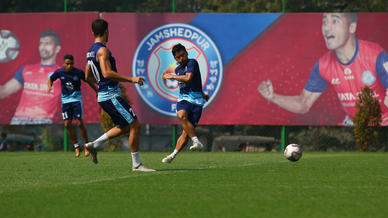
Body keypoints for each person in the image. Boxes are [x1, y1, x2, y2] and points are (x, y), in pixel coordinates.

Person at [258, 13, 388, 126]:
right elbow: (304, 103)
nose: (326, 27)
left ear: (351, 27)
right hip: (354, 122)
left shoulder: (376, 56)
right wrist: (273, 97)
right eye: (324, 22)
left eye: (335, 21)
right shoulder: (323, 65)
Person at [84, 19, 155, 172]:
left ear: (93, 32)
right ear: (106, 31)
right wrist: (132, 79)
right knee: (135, 125)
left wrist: (100, 86)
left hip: (105, 96)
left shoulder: (90, 51)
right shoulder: (102, 51)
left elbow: (88, 76)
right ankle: (136, 165)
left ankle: (94, 145)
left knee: (124, 127)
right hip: (111, 95)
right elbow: (106, 73)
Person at [0, 30, 62, 124]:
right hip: (18, 120)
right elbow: (3, 92)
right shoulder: (26, 69)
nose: (43, 47)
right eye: (41, 43)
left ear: (57, 48)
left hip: (42, 121)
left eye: (48, 43)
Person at [161, 43, 209, 164]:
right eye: (178, 57)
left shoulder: (192, 63)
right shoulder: (178, 70)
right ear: (175, 59)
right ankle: (196, 141)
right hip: (184, 99)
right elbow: (188, 83)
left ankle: (172, 155)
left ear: (187, 53)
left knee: (185, 133)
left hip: (197, 102)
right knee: (181, 115)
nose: (181, 59)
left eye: (183, 55)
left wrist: (172, 76)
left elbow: (189, 79)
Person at [47, 54, 97, 157]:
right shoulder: (59, 72)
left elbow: (88, 81)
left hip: (76, 100)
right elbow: (51, 79)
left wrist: (96, 90)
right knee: (67, 124)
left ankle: (87, 146)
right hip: (65, 101)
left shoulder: (78, 72)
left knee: (79, 123)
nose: (69, 66)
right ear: (63, 64)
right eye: (67, 64)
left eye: (71, 64)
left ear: (73, 63)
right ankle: (76, 147)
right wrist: (49, 87)